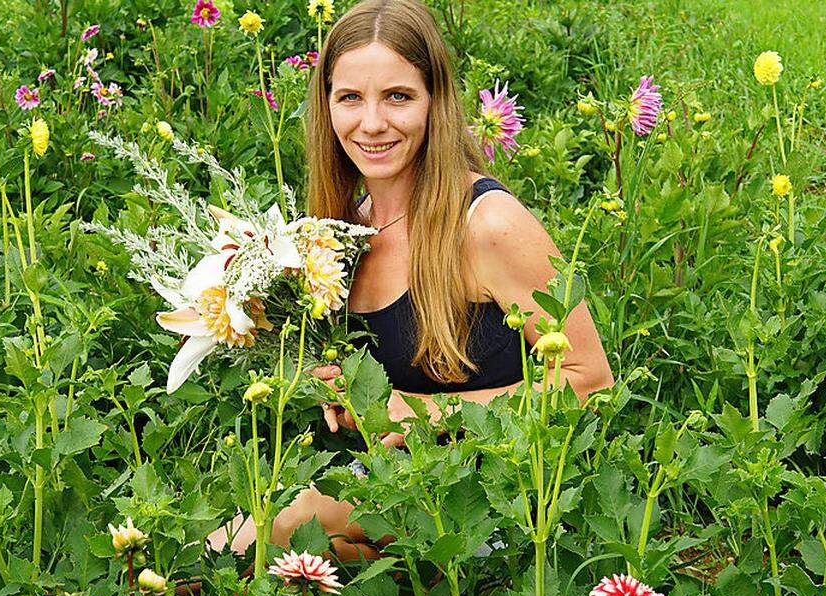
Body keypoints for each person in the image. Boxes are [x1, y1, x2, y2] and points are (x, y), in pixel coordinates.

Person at [207, 0, 613, 560]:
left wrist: (420, 414)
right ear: (326, 108)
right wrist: (342, 389)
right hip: (395, 487)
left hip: (492, 506)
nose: (372, 123)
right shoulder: (344, 228)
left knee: (270, 531)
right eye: (350, 98)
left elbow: (591, 381)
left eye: (398, 96)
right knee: (229, 543)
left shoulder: (485, 222)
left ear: (435, 103)